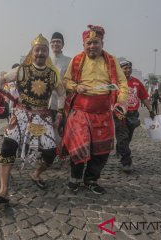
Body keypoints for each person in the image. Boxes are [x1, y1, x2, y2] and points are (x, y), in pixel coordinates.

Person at [0, 34, 66, 205]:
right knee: (8, 147)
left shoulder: (53, 74)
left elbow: (61, 93)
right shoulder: (22, 70)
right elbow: (3, 78)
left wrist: (59, 112)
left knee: (50, 153)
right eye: (37, 50)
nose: (40, 53)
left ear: (47, 53)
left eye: (44, 50)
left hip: (42, 117)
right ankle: (3, 191)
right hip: (21, 115)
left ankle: (36, 173)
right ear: (32, 51)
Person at [62, 25, 128, 194]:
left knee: (101, 150)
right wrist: (76, 87)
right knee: (78, 146)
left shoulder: (111, 60)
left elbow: (122, 83)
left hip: (103, 112)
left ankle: (91, 179)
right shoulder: (77, 59)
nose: (92, 46)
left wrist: (121, 101)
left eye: (95, 42)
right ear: (84, 45)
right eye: (88, 43)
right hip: (80, 112)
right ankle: (74, 178)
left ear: (102, 43)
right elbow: (66, 81)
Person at [115, 60, 155, 172]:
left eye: (129, 68)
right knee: (122, 137)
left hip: (133, 115)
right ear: (120, 69)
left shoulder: (137, 82)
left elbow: (144, 98)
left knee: (128, 137)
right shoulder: (116, 83)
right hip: (120, 114)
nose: (127, 70)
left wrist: (151, 110)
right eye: (125, 68)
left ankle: (120, 148)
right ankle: (126, 162)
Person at [49, 32, 71, 147]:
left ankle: (62, 150)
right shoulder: (46, 59)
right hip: (46, 100)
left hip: (62, 100)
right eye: (53, 42)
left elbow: (72, 80)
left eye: (58, 42)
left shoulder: (69, 61)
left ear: (63, 45)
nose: (55, 44)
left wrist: (63, 84)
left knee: (61, 127)